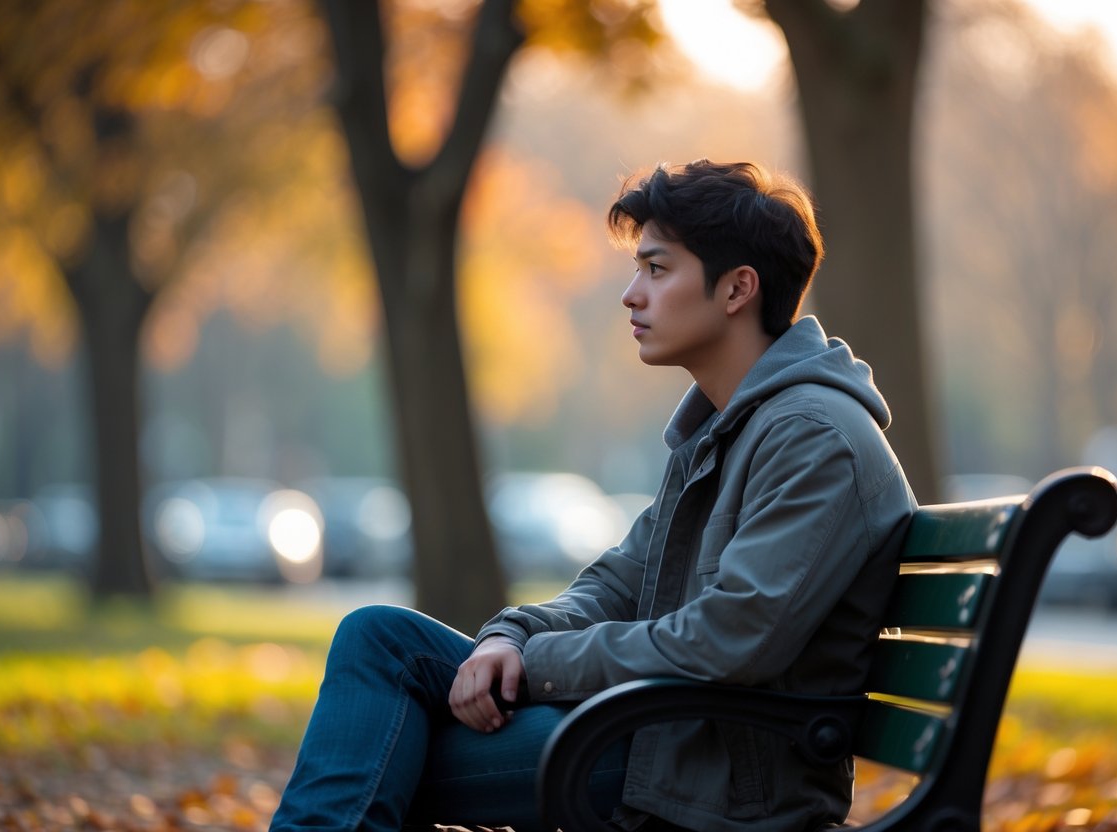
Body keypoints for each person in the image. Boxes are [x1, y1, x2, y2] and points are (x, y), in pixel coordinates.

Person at [270, 160, 916, 832]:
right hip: (658, 733)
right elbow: (618, 581)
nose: (630, 295)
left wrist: (533, 662)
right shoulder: (729, 426)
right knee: (379, 637)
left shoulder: (811, 437)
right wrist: (512, 635)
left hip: (714, 775)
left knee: (368, 761)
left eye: (657, 270)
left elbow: (731, 638)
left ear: (736, 289)